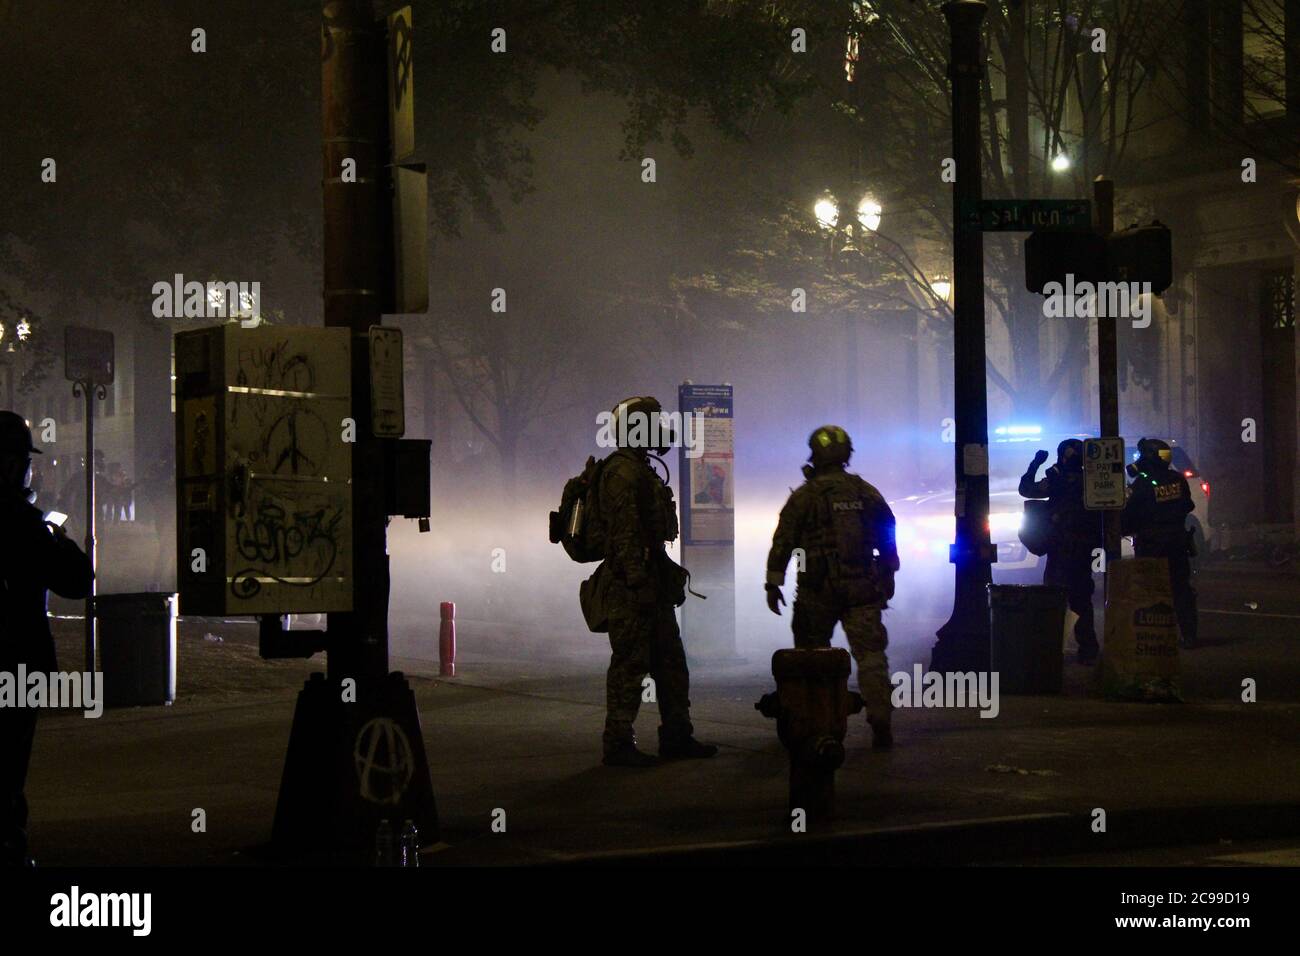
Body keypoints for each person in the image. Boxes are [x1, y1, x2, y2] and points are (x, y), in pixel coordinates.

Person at [597, 396, 716, 767]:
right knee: (630, 667)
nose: (661, 430)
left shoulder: (639, 469)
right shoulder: (622, 473)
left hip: (650, 586)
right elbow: (626, 534)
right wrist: (638, 582)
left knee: (671, 664)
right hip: (633, 589)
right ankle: (618, 744)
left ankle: (677, 735)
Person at [765, 425, 900, 749]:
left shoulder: (804, 496)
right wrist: (888, 571)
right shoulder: (864, 491)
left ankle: (814, 723)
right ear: (847, 454)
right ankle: (880, 715)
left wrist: (773, 583)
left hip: (816, 592)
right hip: (862, 589)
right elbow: (887, 532)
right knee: (870, 656)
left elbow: (783, 541)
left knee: (810, 658)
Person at [0, 411, 94, 866]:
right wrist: (54, 532)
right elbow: (77, 580)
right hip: (16, 665)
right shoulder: (23, 523)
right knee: (8, 770)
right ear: (13, 466)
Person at [1018, 439, 1103, 663]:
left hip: (1059, 549)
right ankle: (1088, 650)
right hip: (1083, 551)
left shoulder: (1055, 479)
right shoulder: (1092, 482)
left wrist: (1035, 464)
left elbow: (1026, 489)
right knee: (1082, 601)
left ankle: (1050, 650)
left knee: (1053, 601)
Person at [1122, 437, 1197, 647]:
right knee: (1181, 589)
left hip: (1151, 545)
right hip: (1177, 543)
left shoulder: (1143, 484)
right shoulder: (1177, 478)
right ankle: (1189, 635)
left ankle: (1155, 638)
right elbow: (1188, 505)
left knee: (1151, 592)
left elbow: (1130, 517)